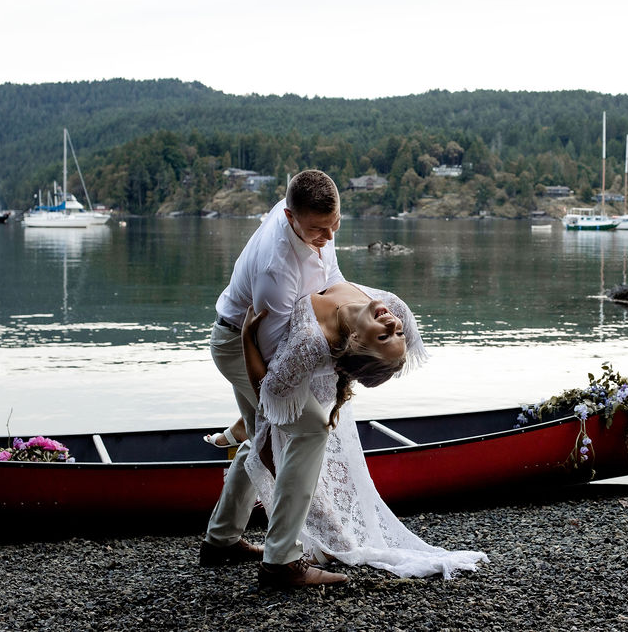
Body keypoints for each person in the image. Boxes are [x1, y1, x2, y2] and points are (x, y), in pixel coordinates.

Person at [241, 281, 488, 579]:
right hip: (298, 372)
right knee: (263, 447)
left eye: (386, 335)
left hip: (286, 375)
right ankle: (242, 537)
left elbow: (267, 392)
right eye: (396, 333)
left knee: (275, 448)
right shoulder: (394, 310)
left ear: (357, 340)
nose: (393, 323)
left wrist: (246, 340)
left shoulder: (312, 340)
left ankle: (284, 553)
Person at [200, 169, 348, 588]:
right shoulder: (275, 268)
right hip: (240, 348)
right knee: (310, 430)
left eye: (334, 223)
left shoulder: (315, 225)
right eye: (319, 229)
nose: (329, 234)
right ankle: (281, 561)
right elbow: (271, 371)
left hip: (254, 340)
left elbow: (332, 282)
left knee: (259, 433)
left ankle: (221, 541)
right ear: (290, 217)